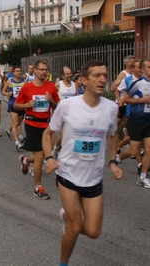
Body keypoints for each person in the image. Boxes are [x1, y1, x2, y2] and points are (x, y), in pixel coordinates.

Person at [42, 60, 123, 266]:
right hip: (67, 174)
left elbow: (113, 135)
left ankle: (66, 218)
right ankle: (63, 263)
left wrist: (113, 161)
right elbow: (48, 133)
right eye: (97, 75)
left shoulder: (111, 108)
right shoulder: (68, 106)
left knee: (94, 232)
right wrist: (50, 158)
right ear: (84, 80)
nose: (103, 79)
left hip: (93, 178)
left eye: (105, 75)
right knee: (76, 227)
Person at [14, 60, 60, 200]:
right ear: (35, 71)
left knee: (46, 153)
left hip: (46, 125)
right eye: (41, 69)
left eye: (46, 70)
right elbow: (16, 105)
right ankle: (38, 187)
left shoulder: (51, 87)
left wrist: (51, 100)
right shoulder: (27, 88)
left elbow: (57, 106)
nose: (44, 72)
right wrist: (27, 104)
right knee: (40, 155)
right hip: (32, 123)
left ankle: (26, 160)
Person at [118, 59, 150, 188]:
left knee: (149, 149)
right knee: (133, 151)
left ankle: (142, 177)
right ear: (142, 70)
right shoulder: (138, 83)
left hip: (148, 121)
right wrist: (142, 100)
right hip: (136, 121)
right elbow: (125, 99)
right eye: (149, 66)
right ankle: (119, 158)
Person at [2, 66, 26, 150]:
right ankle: (17, 142)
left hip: (21, 105)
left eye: (20, 71)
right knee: (15, 123)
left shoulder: (24, 82)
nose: (19, 72)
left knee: (18, 123)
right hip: (13, 104)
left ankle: (8, 131)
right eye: (17, 71)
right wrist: (7, 94)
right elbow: (3, 91)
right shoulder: (9, 82)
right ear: (14, 73)